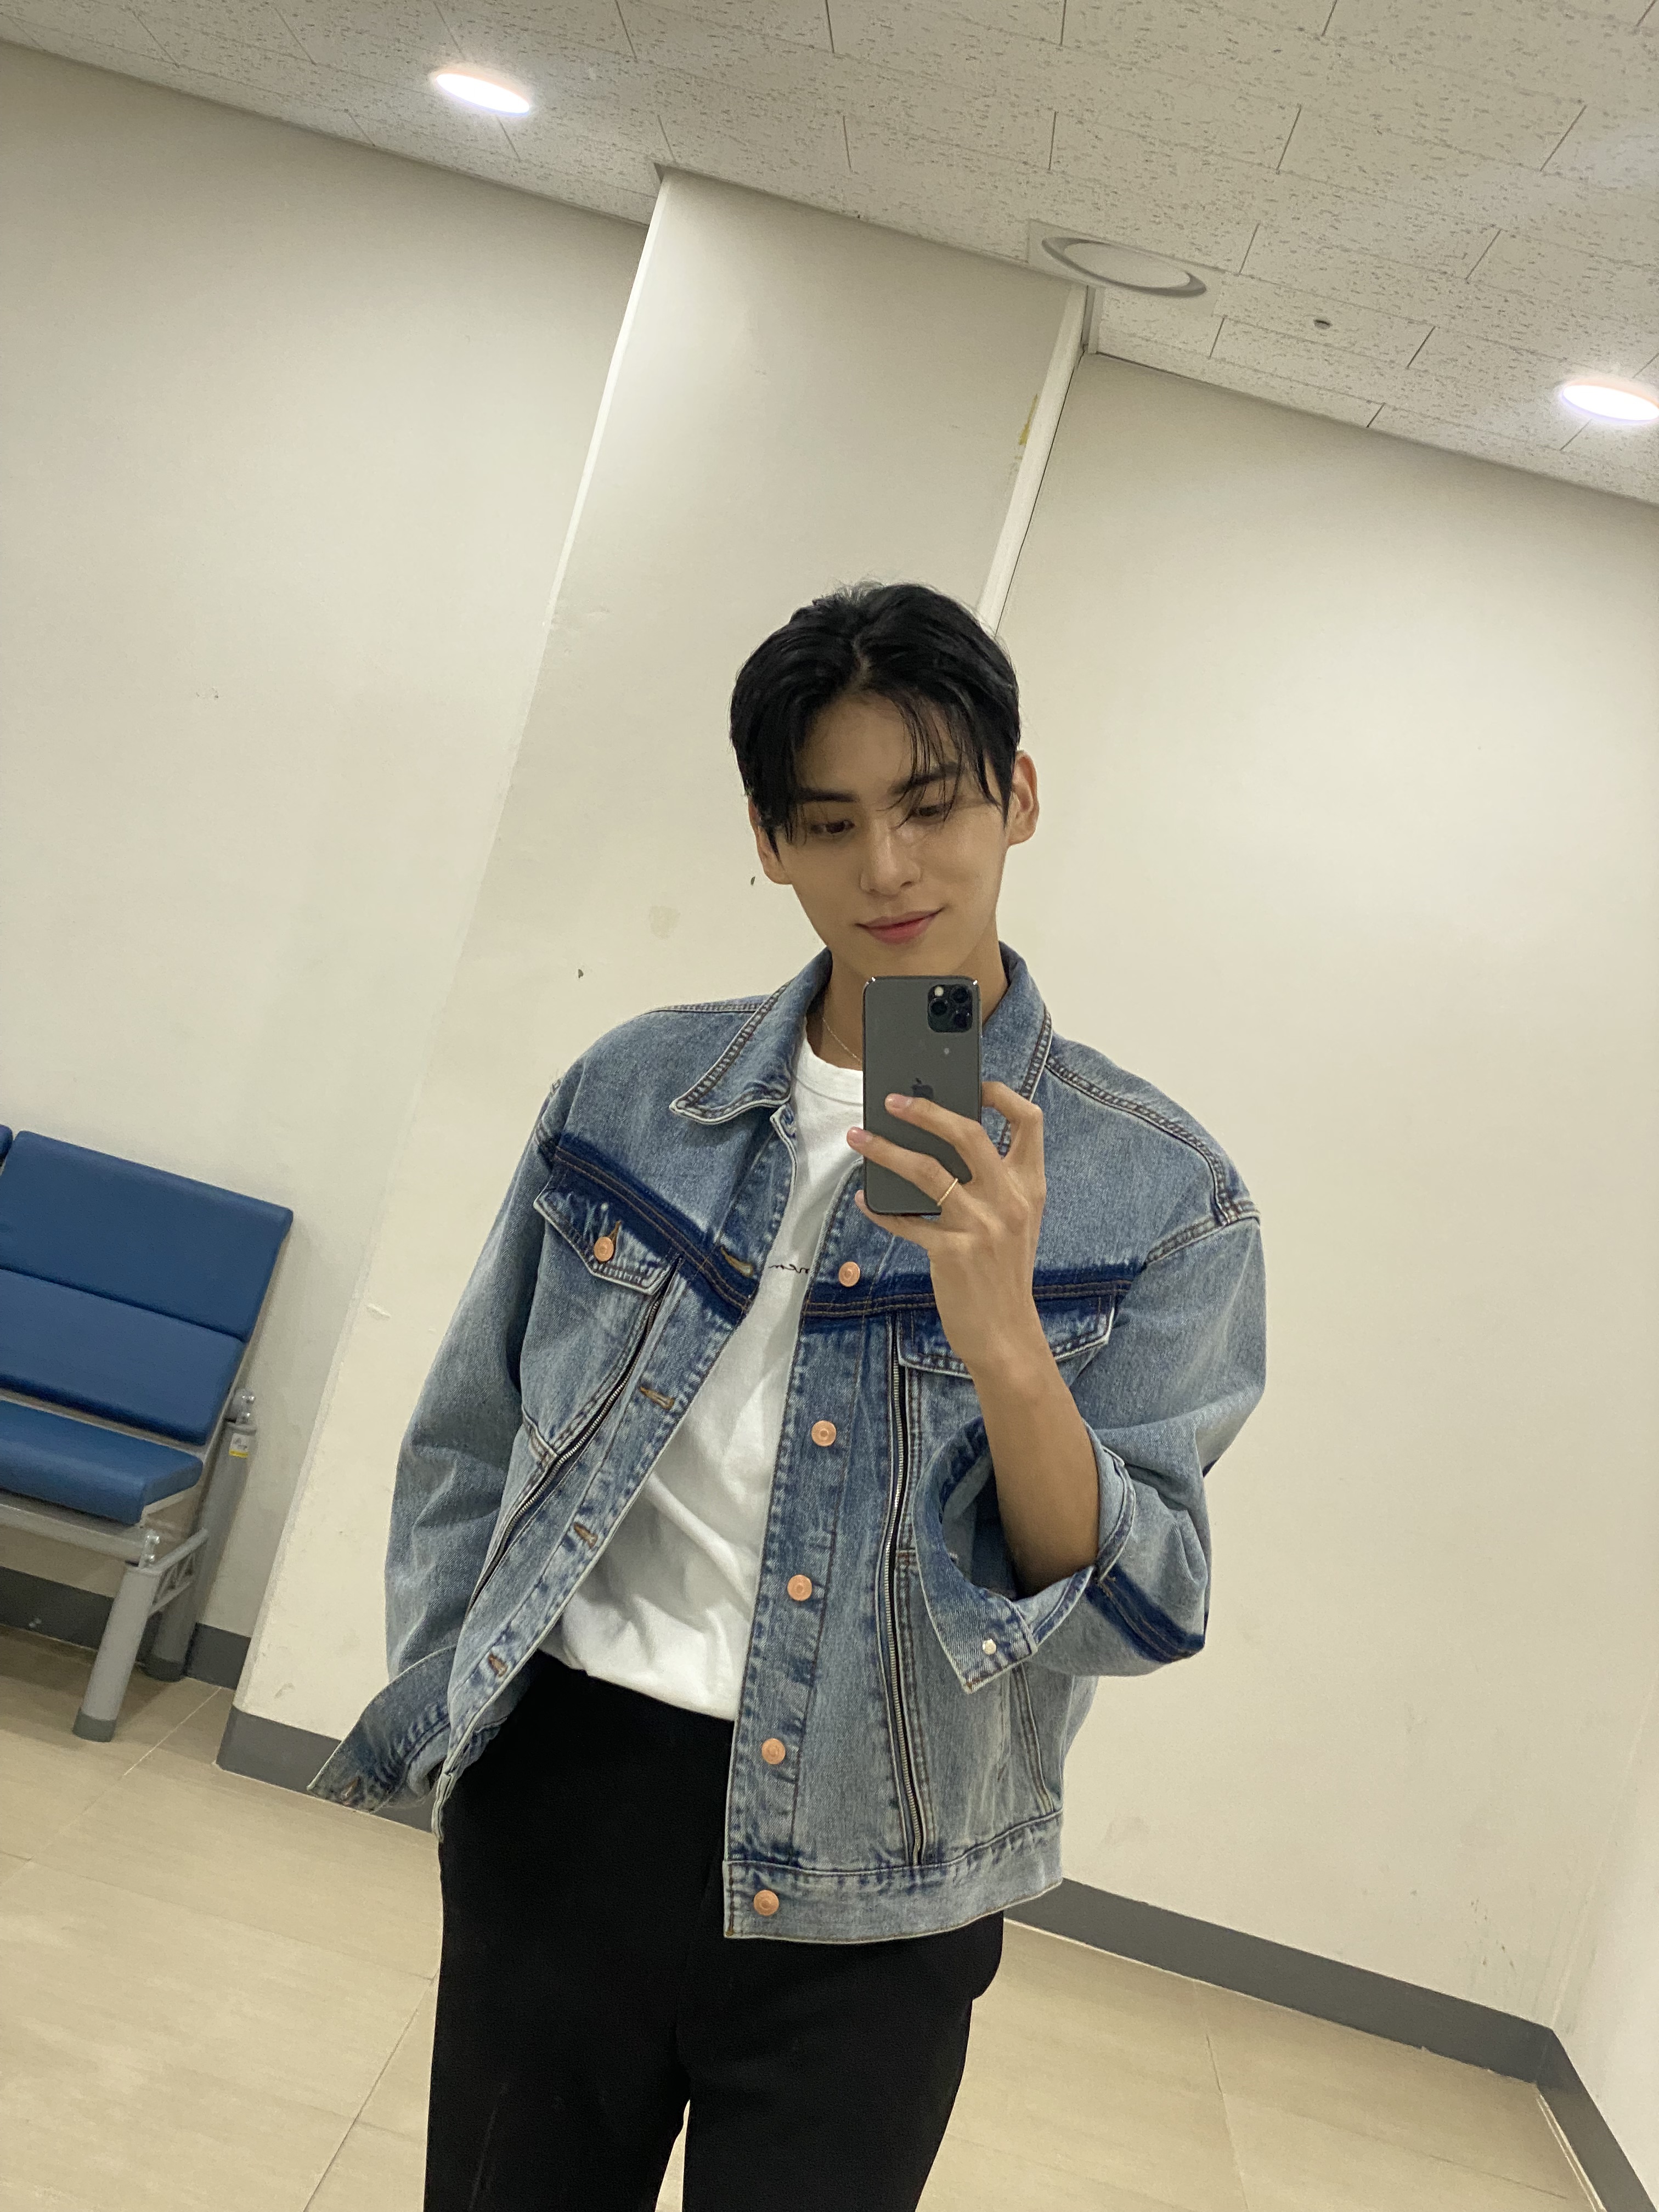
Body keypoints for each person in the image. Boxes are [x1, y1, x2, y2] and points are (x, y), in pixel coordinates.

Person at [307, 579, 1267, 2211]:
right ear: (769, 843)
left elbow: (1144, 1602)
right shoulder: (638, 1092)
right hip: (570, 1804)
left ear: (1019, 798)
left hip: (881, 1878)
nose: (886, 868)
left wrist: (1006, 1340)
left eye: (932, 804)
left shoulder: (1161, 1195)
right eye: (828, 822)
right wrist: (463, 1708)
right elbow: (472, 1429)